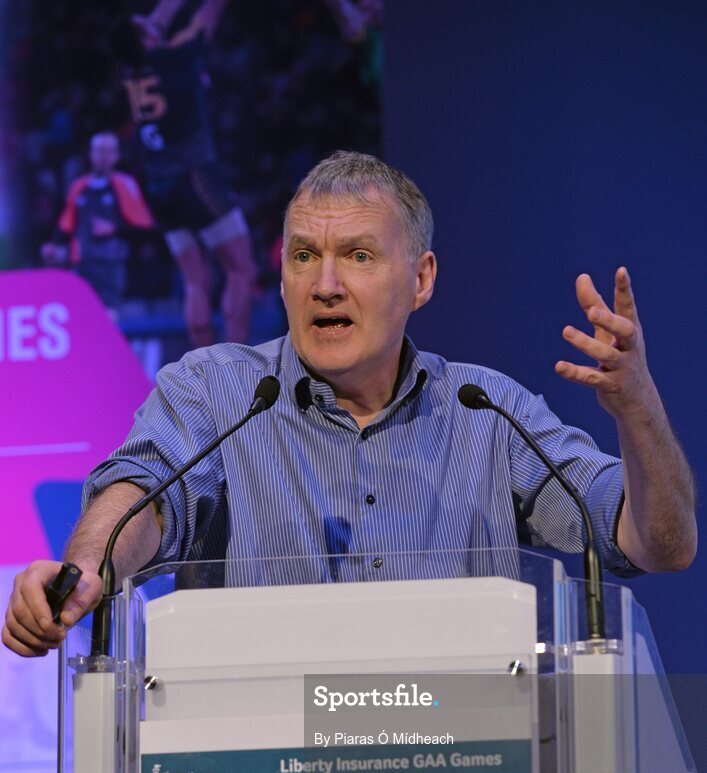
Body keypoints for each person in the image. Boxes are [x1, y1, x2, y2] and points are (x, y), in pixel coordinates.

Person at [2, 150, 697, 657]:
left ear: (420, 278)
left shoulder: (489, 414)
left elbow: (656, 543)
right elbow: (142, 493)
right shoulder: (213, 392)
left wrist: (637, 411)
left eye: (358, 256)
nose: (325, 283)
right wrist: (86, 569)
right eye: (303, 256)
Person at [111, 0, 256, 347]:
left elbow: (156, 23)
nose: (151, 19)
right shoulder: (175, 57)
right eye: (143, 22)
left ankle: (203, 369)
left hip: (159, 187)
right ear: (145, 37)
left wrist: (152, 22)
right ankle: (237, 362)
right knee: (241, 269)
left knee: (195, 281)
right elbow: (207, 17)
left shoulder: (131, 69)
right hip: (195, 178)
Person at [41, 131, 154, 313]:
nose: (103, 157)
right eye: (99, 151)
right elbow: (66, 224)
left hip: (111, 265)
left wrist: (114, 230)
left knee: (108, 317)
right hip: (81, 265)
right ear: (90, 154)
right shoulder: (79, 186)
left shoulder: (125, 184)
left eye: (109, 151)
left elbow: (145, 228)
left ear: (117, 155)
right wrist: (53, 245)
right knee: (79, 316)